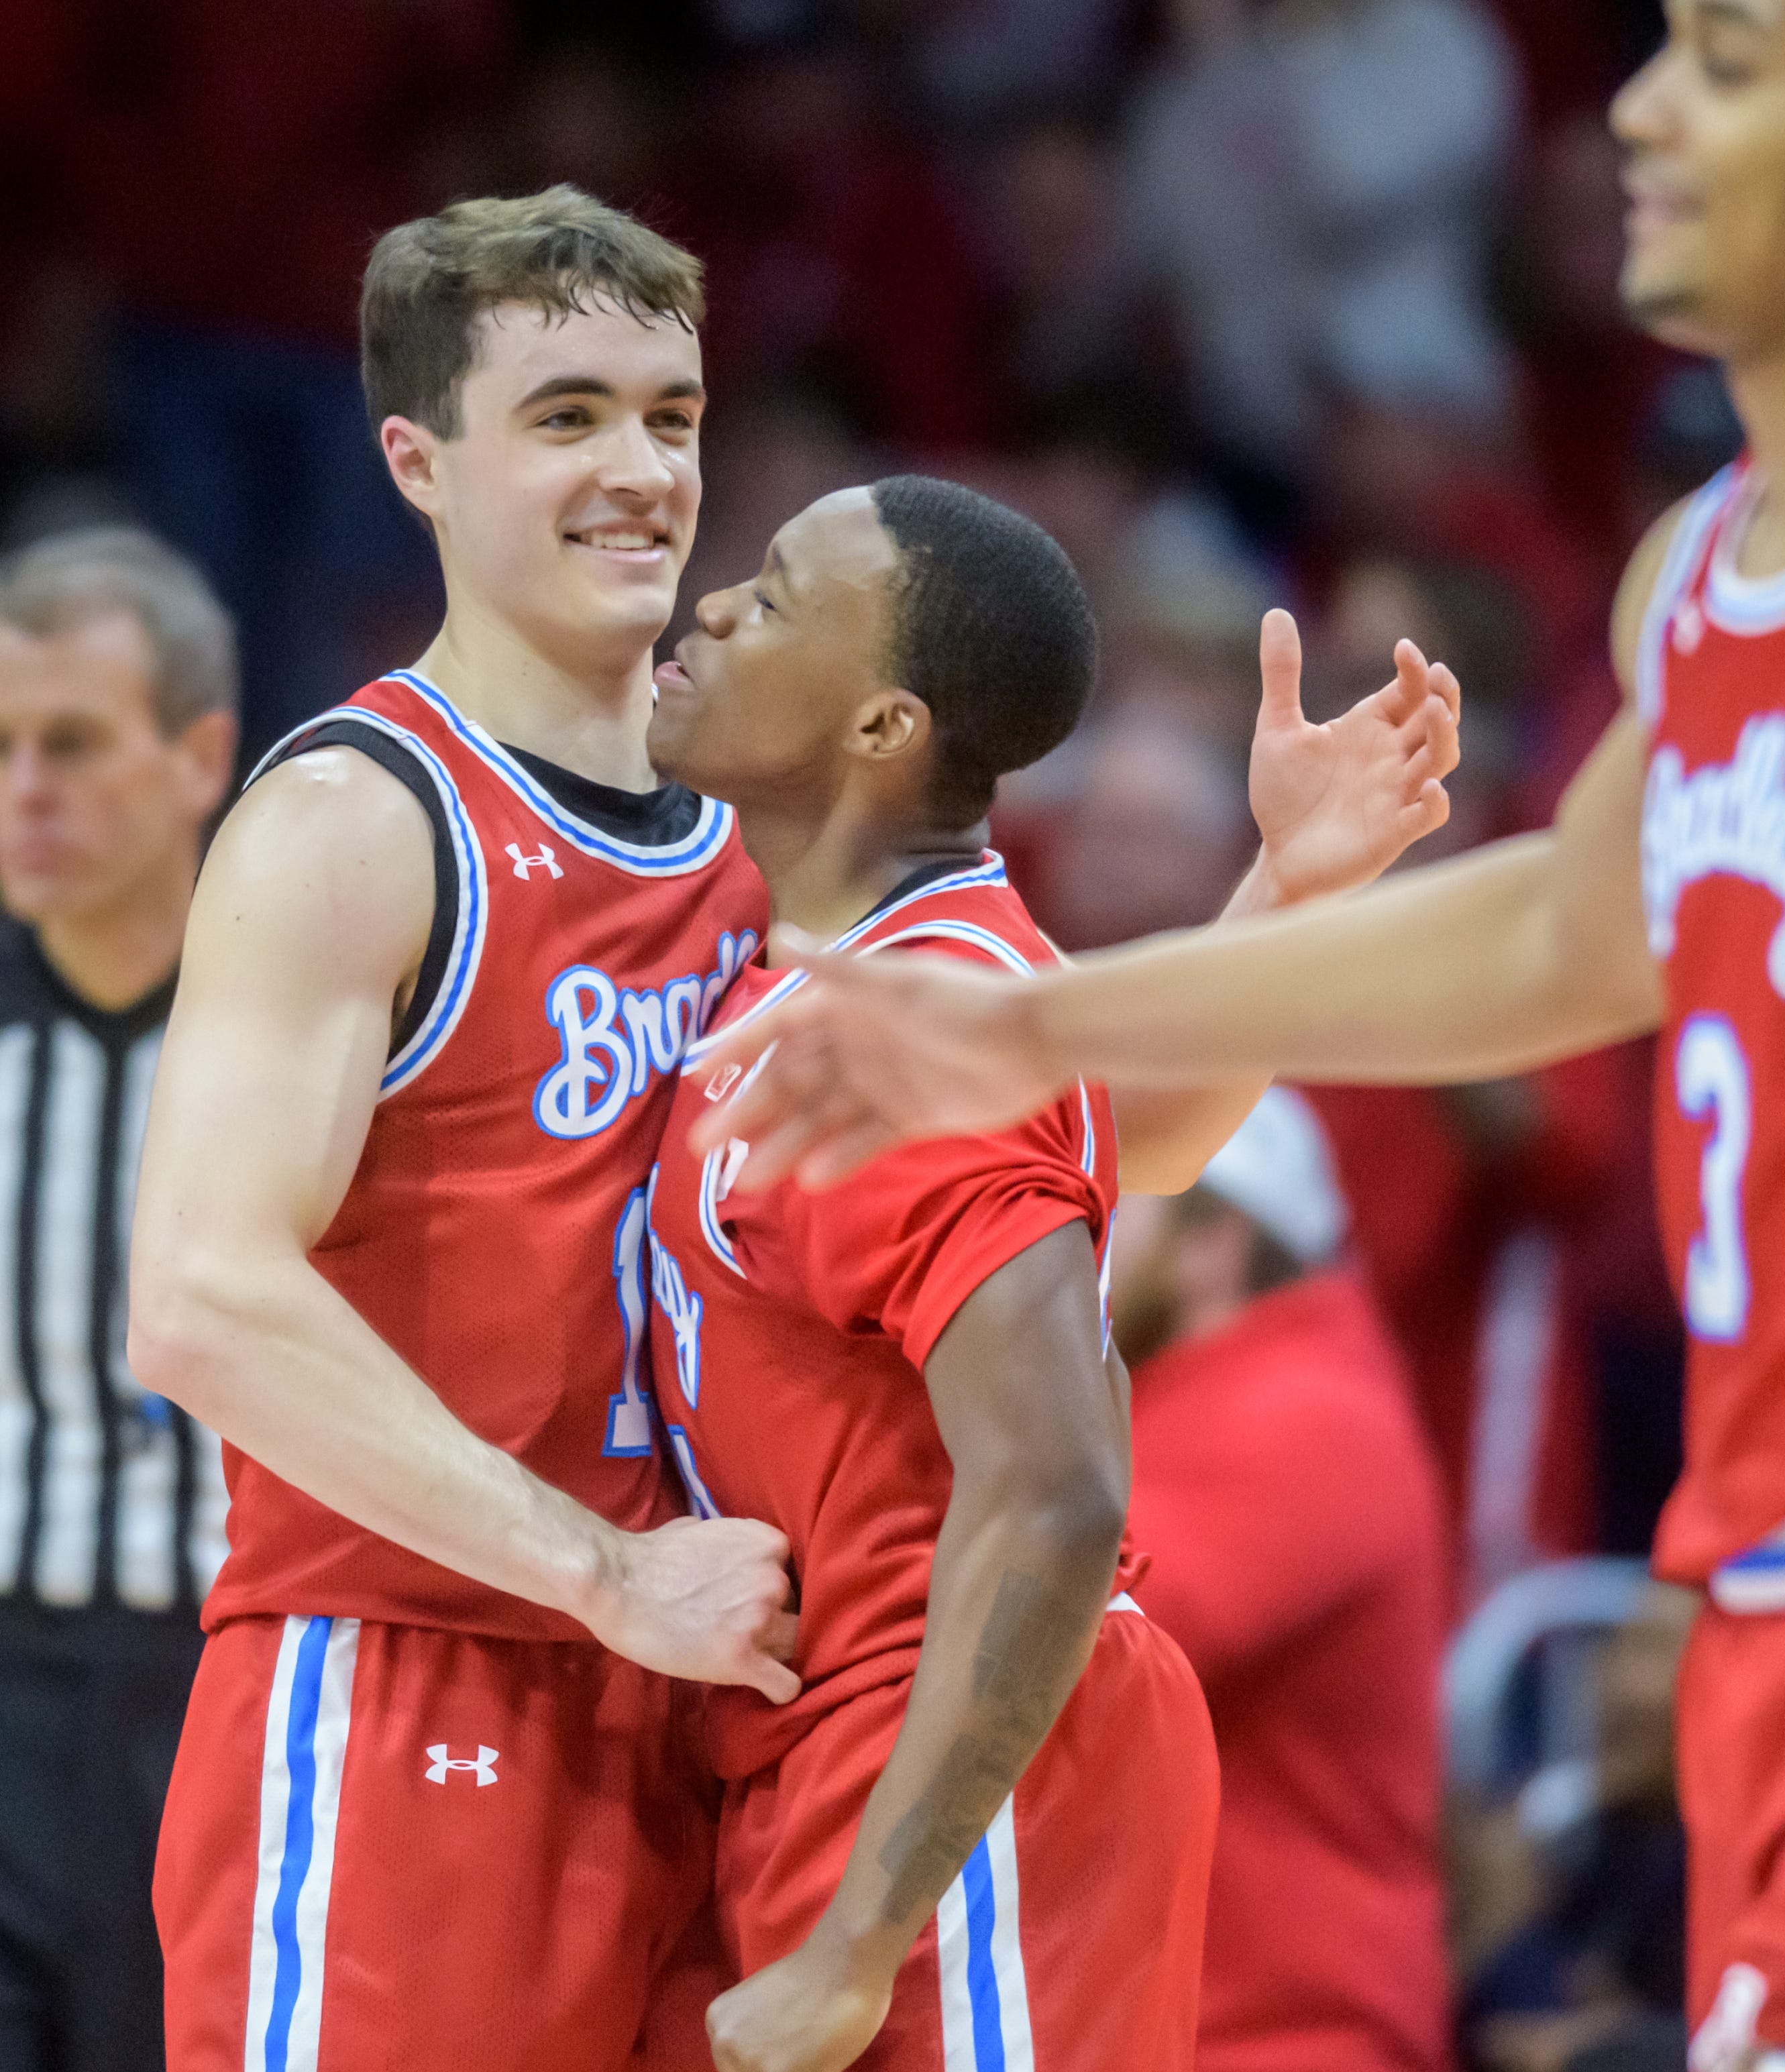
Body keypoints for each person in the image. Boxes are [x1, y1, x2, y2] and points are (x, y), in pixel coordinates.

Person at [692, 9, 1785, 2066]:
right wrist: (1036, 1025)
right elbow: (1557, 934)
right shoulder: (1696, 581)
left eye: (1735, 57)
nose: (1639, 108)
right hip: (1783, 1614)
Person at [639, 474, 1462, 2072]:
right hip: (859, 1753)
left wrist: (862, 1938)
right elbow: (1129, 1134)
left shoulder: (918, 1024)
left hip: (949, 1785)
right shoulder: (909, 988)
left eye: (778, 596)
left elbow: (1063, 1498)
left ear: (882, 729)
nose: (717, 606)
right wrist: (1280, 894)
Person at [128, 188, 800, 2072]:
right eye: (568, 415)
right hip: (410, 1679)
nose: (642, 469)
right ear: (417, 462)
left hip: (695, 1703)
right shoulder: (355, 819)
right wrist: (595, 1569)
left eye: (669, 416)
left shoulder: (757, 833)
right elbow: (197, 1296)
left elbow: (1057, 1158)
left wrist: (1286, 898)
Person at [0, 528, 236, 2072]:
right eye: (4, 748)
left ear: (201, 758)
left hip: (223, 1677)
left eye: (74, 744)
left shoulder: (314, 1026)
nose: (27, 790)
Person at [1112, 1089, 1454, 2072]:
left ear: (1210, 1239)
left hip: (1279, 2039)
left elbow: (1050, 1642)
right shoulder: (1238, 1394)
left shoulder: (1301, 1409)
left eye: (1100, 1201)